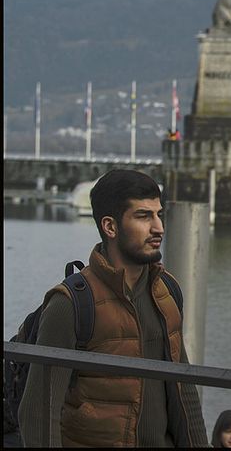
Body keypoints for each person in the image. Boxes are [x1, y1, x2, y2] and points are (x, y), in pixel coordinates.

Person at [18, 169, 208, 447]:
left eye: (159, 214)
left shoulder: (168, 290)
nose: (159, 227)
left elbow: (185, 395)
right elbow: (38, 414)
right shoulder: (71, 303)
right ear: (110, 226)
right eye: (144, 216)